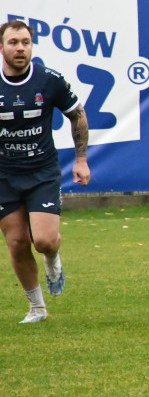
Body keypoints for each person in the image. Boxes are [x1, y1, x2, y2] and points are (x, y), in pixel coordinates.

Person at [0, 19, 90, 324]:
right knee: (16, 242)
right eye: (13, 43)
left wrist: (81, 159)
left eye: (25, 42)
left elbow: (77, 114)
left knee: (44, 241)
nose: (20, 48)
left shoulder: (49, 80)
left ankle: (53, 260)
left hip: (42, 172)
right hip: (4, 175)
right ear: (2, 48)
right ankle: (37, 307)